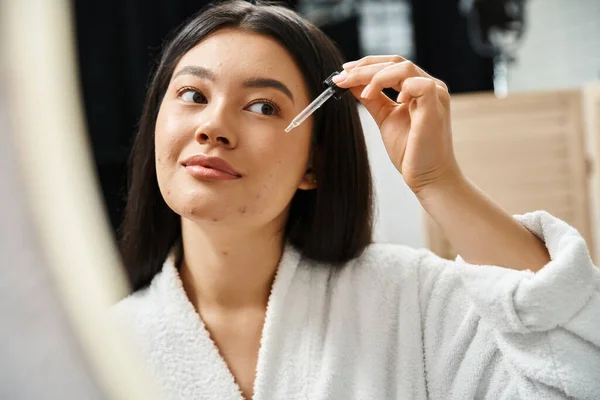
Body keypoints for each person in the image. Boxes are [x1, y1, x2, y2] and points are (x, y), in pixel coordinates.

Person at [112, 1, 600, 399]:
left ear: (313, 164)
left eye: (263, 106)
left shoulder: (412, 302)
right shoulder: (106, 342)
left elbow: (576, 371)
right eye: (193, 95)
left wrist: (439, 180)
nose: (212, 127)